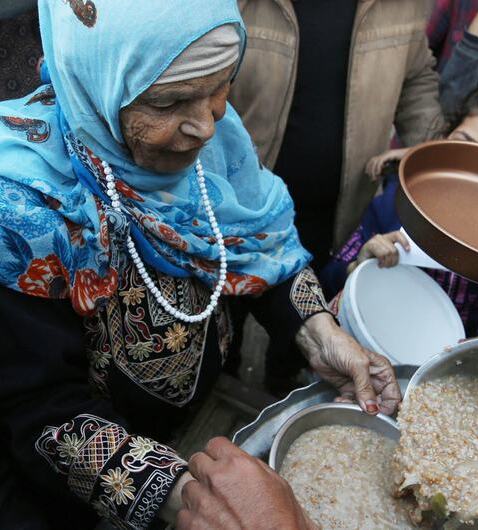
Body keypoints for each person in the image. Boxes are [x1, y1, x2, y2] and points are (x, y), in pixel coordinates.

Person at [0, 1, 401, 528]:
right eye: (169, 102)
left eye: (221, 86)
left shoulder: (214, 141)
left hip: (201, 425)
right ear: (95, 85)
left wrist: (316, 330)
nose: (207, 125)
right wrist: (190, 496)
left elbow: (260, 249)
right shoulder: (24, 211)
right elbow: (36, 406)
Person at [322, 69, 478, 348]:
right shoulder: (397, 205)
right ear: (446, 135)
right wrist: (358, 265)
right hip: (373, 349)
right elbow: (327, 282)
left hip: (466, 375)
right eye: (462, 143)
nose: (470, 167)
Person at [230, 0, 443, 269]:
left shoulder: (401, 5)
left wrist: (432, 158)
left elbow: (416, 78)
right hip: (240, 208)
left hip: (342, 216)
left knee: (316, 305)